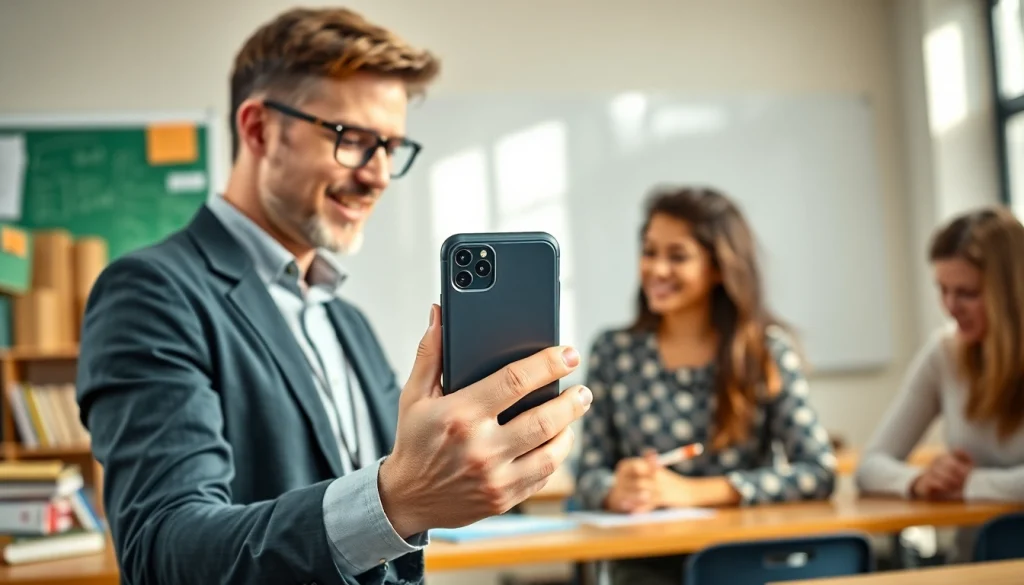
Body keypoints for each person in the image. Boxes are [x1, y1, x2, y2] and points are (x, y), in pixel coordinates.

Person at [76, 8, 592, 585]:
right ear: (259, 129)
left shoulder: (345, 321)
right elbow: (161, 554)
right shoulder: (150, 293)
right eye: (353, 139)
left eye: (391, 147)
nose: (377, 174)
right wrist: (396, 500)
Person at [575, 186, 837, 585]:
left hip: (745, 563)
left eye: (677, 256)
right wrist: (618, 490)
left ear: (718, 267)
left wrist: (691, 493)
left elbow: (818, 472)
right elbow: (589, 472)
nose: (657, 270)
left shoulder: (763, 351)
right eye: (649, 252)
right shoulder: (612, 351)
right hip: (644, 565)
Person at [855, 206, 1024, 561]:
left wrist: (968, 484)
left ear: (1011, 292)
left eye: (967, 293)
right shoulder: (944, 354)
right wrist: (919, 481)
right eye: (943, 290)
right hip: (972, 565)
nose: (950, 307)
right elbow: (870, 466)